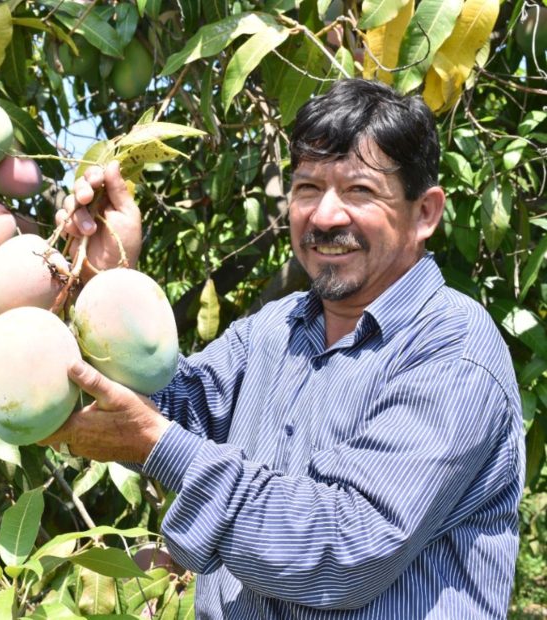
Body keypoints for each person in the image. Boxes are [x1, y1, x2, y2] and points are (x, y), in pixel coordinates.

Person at [42, 78, 525, 619]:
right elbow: (163, 403)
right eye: (307, 189)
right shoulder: (276, 328)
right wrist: (104, 280)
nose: (324, 216)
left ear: (425, 214)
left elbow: (342, 551)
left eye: (360, 191)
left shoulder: (452, 351)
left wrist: (159, 446)